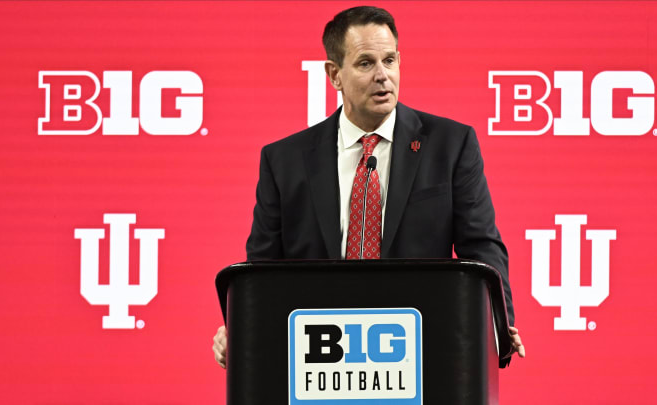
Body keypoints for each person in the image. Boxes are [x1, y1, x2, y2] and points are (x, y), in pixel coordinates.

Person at [213, 5, 524, 369]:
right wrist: (241, 326)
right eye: (365, 63)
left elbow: (482, 247)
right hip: (319, 355)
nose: (383, 76)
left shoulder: (450, 146)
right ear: (335, 75)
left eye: (389, 60)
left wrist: (499, 326)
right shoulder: (284, 160)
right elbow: (261, 270)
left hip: (419, 347)